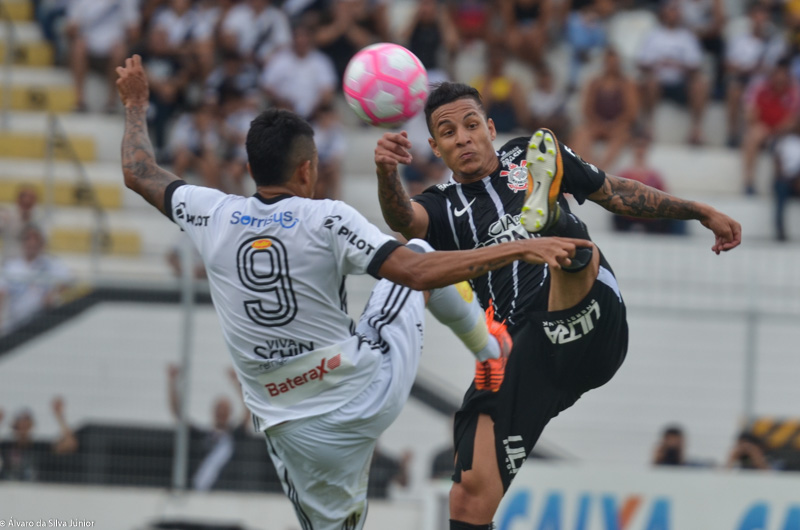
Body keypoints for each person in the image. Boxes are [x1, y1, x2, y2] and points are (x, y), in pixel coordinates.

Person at [116, 55, 585, 530]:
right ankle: (489, 349)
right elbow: (416, 272)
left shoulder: (209, 212)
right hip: (363, 390)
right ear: (307, 170)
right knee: (418, 252)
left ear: (251, 166)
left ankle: (489, 351)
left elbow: (138, 172)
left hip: (289, 426)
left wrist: (135, 105)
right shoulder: (326, 217)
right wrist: (518, 247)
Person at [372, 81, 741, 528]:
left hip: (591, 319)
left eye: (471, 125)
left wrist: (698, 210)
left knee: (574, 253)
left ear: (490, 128)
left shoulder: (530, 154)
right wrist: (386, 173)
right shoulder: (441, 206)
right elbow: (402, 219)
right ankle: (545, 219)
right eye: (448, 133)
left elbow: (614, 191)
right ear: (435, 147)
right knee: (468, 496)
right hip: (525, 355)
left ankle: (549, 220)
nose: (463, 138)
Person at [637, 0, 709, 145]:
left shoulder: (687, 36)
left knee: (700, 84)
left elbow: (695, 65)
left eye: (675, 11)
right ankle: (648, 127)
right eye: (670, 10)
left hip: (681, 83)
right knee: (649, 82)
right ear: (664, 13)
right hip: (658, 83)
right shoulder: (653, 35)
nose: (673, 14)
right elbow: (641, 62)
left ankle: (696, 130)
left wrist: (677, 65)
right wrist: (658, 64)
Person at [167, 364, 249, 490]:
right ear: (213, 411)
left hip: (227, 491)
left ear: (230, 413)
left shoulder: (235, 436)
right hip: (199, 491)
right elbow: (178, 414)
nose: (221, 413)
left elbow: (248, 411)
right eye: (219, 409)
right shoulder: (201, 435)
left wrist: (237, 382)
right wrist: (172, 382)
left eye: (225, 410)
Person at [570, 47, 639, 171]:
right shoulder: (595, 83)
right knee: (581, 133)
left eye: (614, 63)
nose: (612, 66)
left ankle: (602, 168)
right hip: (597, 124)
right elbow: (587, 108)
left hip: (617, 126)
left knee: (621, 135)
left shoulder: (626, 84)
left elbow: (631, 111)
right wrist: (598, 123)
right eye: (609, 62)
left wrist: (615, 123)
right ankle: (586, 164)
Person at [741, 58, 800, 195]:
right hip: (763, 131)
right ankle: (749, 181)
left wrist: (776, 131)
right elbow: (750, 113)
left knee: (789, 144)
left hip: (784, 134)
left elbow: (793, 120)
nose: (780, 80)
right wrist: (762, 128)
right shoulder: (759, 88)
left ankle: (781, 186)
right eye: (777, 76)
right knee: (753, 135)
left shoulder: (794, 92)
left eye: (783, 77)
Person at [0, 225, 73, 335]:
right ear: (22, 242)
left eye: (35, 239)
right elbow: (2, 293)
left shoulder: (50, 264)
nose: (32, 242)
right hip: (17, 325)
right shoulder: (12, 267)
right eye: (28, 238)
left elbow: (70, 279)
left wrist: (54, 293)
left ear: (41, 243)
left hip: (41, 325)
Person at [0, 397, 79, 481]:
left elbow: (70, 444)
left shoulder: (39, 447)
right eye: (21, 423)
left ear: (31, 425)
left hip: (35, 488)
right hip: (8, 488)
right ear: (15, 426)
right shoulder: (6, 445)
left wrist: (59, 416)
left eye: (26, 423)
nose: (23, 426)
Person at [773, 120, 800, 241]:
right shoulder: (785, 141)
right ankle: (780, 229)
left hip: (797, 179)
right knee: (781, 188)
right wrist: (784, 176)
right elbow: (777, 161)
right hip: (784, 179)